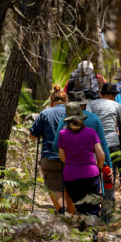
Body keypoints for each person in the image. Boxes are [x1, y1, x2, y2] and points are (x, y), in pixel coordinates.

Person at [29, 85, 74, 214]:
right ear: (65, 101)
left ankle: (63, 212)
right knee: (69, 188)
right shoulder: (72, 112)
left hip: (49, 156)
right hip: (71, 157)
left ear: (51, 101)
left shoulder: (45, 113)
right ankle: (72, 219)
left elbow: (33, 134)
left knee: (55, 188)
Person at [88, 83, 121, 199]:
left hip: (94, 143)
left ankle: (94, 199)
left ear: (101, 94)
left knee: (94, 171)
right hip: (112, 143)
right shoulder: (118, 106)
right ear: (114, 95)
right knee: (109, 174)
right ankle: (108, 204)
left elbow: (88, 120)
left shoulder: (91, 104)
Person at [58, 102, 105, 217]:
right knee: (93, 207)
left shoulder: (62, 134)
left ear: (67, 119)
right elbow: (101, 154)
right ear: (81, 117)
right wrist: (99, 166)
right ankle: (93, 233)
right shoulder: (91, 133)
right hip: (90, 175)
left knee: (79, 207)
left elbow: (62, 157)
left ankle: (83, 232)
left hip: (71, 176)